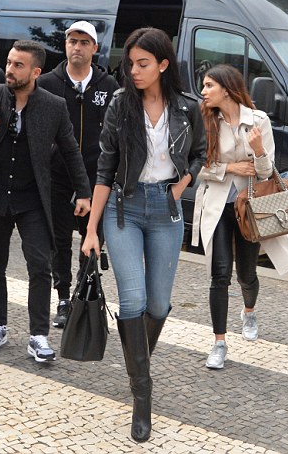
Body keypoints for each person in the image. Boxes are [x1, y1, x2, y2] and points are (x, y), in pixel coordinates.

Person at [82, 27, 206, 443]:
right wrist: (91, 229)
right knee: (133, 301)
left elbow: (201, 153)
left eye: (143, 64)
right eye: (131, 64)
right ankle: (142, 393)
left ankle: (138, 362)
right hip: (125, 208)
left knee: (158, 303)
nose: (133, 71)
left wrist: (182, 184)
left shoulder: (187, 108)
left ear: (163, 65)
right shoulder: (121, 104)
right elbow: (105, 168)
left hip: (166, 210)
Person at [0, 40, 91, 362]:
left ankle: (38, 334)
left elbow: (70, 150)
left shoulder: (53, 105)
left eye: (18, 65)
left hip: (33, 199)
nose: (10, 69)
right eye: (9, 63)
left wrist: (84, 192)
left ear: (35, 72)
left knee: (40, 266)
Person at [191, 64, 288, 371]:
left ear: (226, 89)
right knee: (219, 274)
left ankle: (249, 311)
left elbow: (266, 173)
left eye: (209, 85)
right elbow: (194, 167)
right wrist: (229, 168)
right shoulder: (204, 120)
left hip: (251, 207)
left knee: (247, 274)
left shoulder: (259, 121)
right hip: (217, 206)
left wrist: (259, 150)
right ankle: (219, 343)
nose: (203, 91)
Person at [37, 21, 120, 328]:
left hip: (97, 177)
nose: (77, 47)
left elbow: (116, 132)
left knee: (92, 239)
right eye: (72, 41)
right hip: (58, 176)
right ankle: (62, 297)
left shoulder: (108, 85)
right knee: (58, 241)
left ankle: (83, 295)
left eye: (84, 42)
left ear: (95, 48)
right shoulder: (47, 83)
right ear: (65, 45)